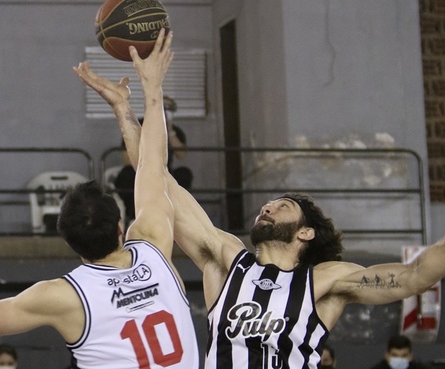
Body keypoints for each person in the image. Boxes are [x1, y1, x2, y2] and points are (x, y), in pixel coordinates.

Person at [73, 36, 445, 369]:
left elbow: (415, 276)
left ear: (306, 232)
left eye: (283, 206)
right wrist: (124, 110)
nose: (267, 207)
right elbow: (156, 179)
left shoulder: (327, 280)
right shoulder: (225, 260)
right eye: (268, 204)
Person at [0, 29, 199, 369]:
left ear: (70, 243)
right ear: (121, 228)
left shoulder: (62, 295)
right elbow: (152, 164)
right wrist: (143, 95)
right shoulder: (153, 248)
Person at [113, 95, 192, 226]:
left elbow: (181, 155)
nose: (164, 111)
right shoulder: (136, 125)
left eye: (168, 109)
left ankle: (175, 219)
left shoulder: (174, 131)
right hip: (140, 171)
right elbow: (126, 159)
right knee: (126, 176)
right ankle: (134, 216)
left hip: (166, 173)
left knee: (184, 174)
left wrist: (169, 130)